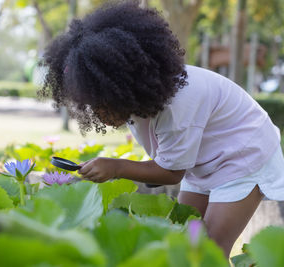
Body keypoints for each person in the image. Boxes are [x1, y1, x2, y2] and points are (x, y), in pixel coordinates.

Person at [38, 0, 284, 258]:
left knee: (210, 249)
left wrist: (116, 167)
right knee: (183, 234)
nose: (98, 114)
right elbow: (167, 159)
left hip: (243, 157)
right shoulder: (138, 101)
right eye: (92, 104)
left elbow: (171, 172)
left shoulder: (178, 103)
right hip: (205, 160)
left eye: (103, 104)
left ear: (124, 87)